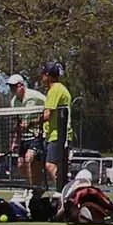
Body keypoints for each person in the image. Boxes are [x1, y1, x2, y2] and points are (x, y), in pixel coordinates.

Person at [35, 63, 74, 195]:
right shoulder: (59, 89)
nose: (41, 77)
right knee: (53, 167)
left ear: (48, 75)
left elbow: (47, 115)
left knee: (50, 166)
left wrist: (30, 123)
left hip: (58, 135)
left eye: (43, 74)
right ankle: (63, 191)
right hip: (55, 135)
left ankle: (65, 192)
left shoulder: (55, 89)